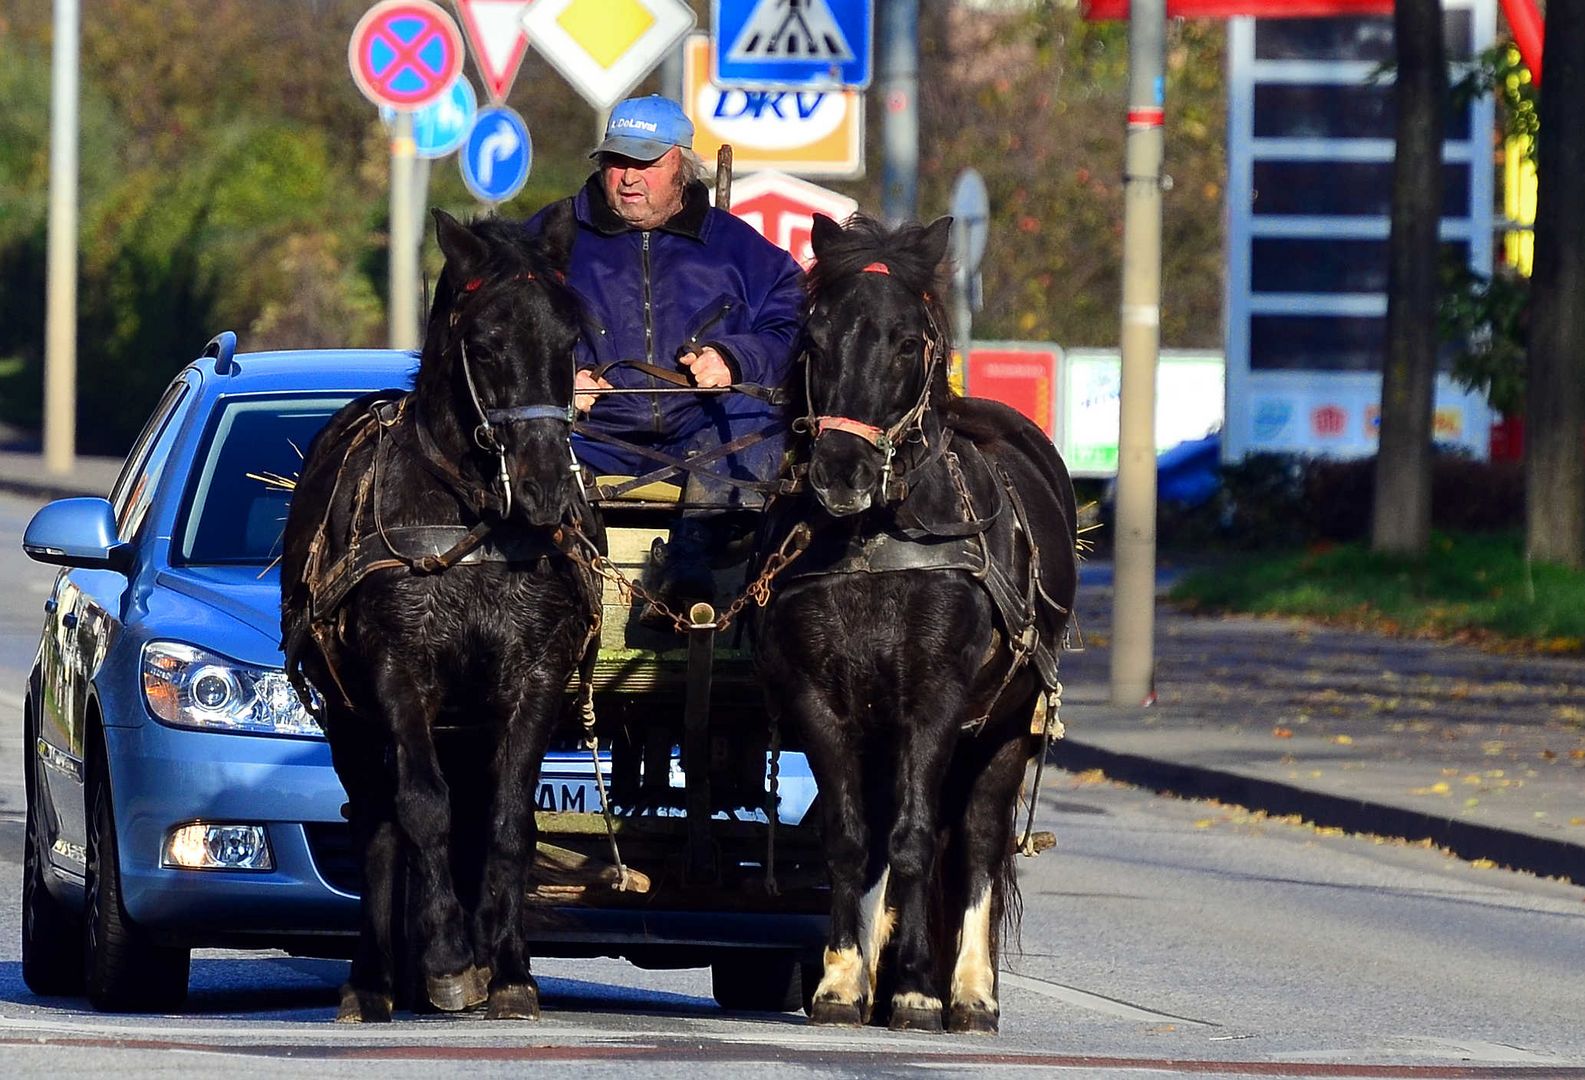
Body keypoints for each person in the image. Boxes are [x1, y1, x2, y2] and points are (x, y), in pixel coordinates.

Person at [524, 95, 804, 620]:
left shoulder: (740, 250)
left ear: (682, 166)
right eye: (616, 162)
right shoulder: (544, 241)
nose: (628, 178)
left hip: (707, 441)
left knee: (756, 421)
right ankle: (570, 599)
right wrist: (557, 381)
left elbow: (794, 325)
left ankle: (687, 584)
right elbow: (496, 330)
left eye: (645, 163)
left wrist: (735, 357)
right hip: (587, 438)